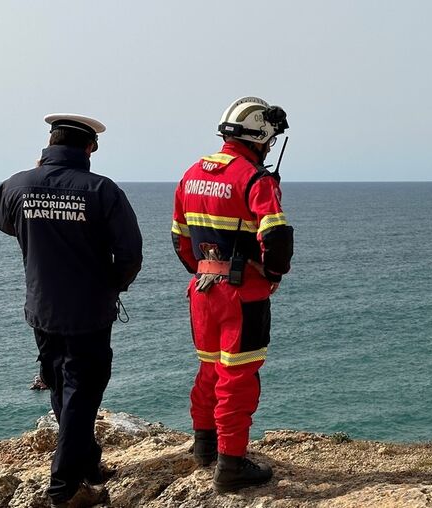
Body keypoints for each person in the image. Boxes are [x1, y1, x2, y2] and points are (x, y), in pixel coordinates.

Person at [0, 114, 143, 507]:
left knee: (61, 385)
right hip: (88, 312)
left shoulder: (18, 184)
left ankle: (88, 462)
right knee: (81, 391)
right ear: (90, 148)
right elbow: (129, 255)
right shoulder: (101, 190)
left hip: (42, 307)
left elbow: (4, 222)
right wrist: (110, 284)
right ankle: (65, 488)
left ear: (49, 143)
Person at [171, 96, 293, 493]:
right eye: (269, 141)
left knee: (209, 371)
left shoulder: (191, 174)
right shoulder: (256, 179)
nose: (270, 148)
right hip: (243, 295)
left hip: (203, 291)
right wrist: (272, 274)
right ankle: (231, 465)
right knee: (238, 378)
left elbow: (180, 239)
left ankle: (204, 449)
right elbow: (276, 237)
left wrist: (205, 268)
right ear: (259, 136)